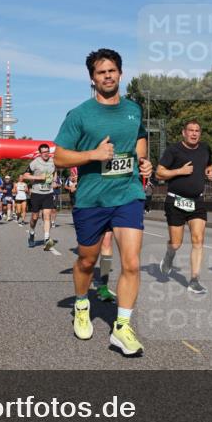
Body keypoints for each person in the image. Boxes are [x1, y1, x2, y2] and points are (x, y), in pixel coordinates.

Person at [53, 48, 152, 356]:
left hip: (128, 193)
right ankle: (82, 304)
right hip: (92, 197)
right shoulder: (80, 114)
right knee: (87, 260)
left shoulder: (133, 109)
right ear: (92, 79)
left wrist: (144, 161)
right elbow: (58, 156)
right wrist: (92, 155)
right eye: (101, 72)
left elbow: (139, 139)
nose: (107, 76)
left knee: (132, 263)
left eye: (112, 70)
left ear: (120, 74)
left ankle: (121, 327)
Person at [156, 119, 212, 294]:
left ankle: (194, 280)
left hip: (197, 201)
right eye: (191, 130)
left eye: (197, 130)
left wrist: (210, 171)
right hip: (176, 201)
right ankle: (169, 255)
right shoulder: (174, 150)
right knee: (176, 243)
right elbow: (159, 172)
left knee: (198, 240)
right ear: (184, 132)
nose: (194, 133)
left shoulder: (205, 149)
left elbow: (210, 164)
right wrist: (179, 171)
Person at [25, 144, 58, 250]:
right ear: (40, 153)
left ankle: (47, 239)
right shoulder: (35, 162)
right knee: (35, 217)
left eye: (47, 151)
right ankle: (31, 233)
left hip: (48, 192)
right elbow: (25, 175)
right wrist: (38, 177)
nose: (46, 154)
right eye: (43, 152)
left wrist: (54, 181)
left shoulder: (52, 161)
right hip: (36, 193)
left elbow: (55, 171)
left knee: (47, 215)